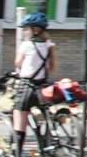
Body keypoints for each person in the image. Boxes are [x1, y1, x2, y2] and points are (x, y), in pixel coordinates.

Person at [4, 12, 56, 140]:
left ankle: (16, 156)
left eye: (26, 29)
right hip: (42, 87)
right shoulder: (48, 45)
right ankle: (47, 142)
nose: (25, 32)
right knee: (46, 112)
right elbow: (51, 66)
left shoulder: (26, 45)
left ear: (35, 30)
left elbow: (17, 63)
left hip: (26, 87)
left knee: (19, 120)